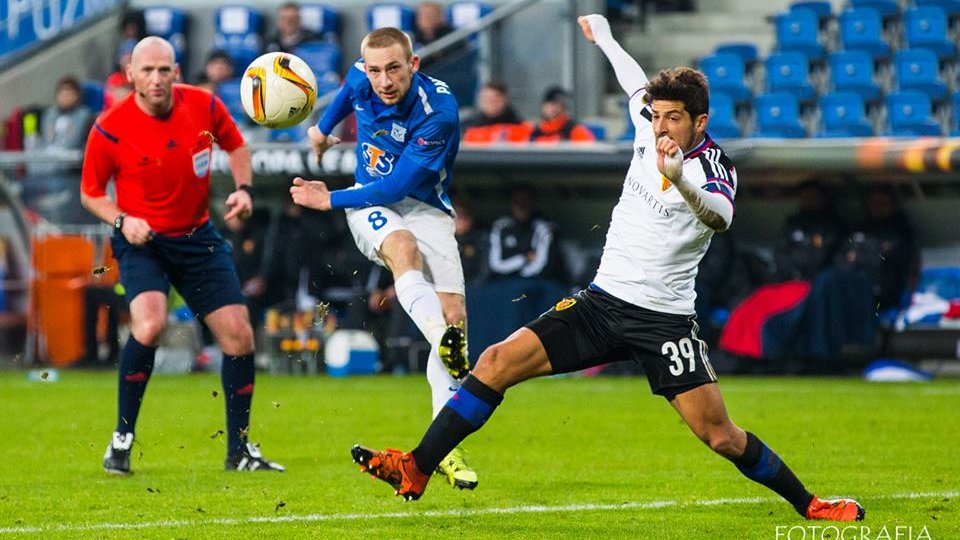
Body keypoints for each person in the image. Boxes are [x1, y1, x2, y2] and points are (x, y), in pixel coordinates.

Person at [348, 14, 865, 523]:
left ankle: (811, 504)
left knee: (720, 436)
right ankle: (415, 467)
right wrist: (606, 38)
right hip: (601, 303)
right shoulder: (649, 121)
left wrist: (679, 178)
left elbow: (721, 216)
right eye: (656, 116)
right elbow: (632, 79)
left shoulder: (712, 167)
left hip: (662, 322)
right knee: (495, 362)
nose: (659, 126)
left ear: (700, 123)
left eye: (673, 119)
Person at [80, 36, 283, 475]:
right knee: (149, 324)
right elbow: (91, 193)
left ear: (177, 72)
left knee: (239, 337)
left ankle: (240, 452)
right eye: (147, 70)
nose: (156, 78)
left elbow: (238, 146)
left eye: (164, 70)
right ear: (129, 73)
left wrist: (244, 190)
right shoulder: (109, 127)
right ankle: (121, 440)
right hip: (142, 241)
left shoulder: (204, 106)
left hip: (197, 238)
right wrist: (122, 221)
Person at [289, 27, 478, 490]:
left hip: (422, 204)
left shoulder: (440, 113)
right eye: (375, 70)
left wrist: (326, 199)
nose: (383, 80)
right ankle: (439, 336)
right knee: (404, 251)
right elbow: (344, 93)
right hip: (367, 202)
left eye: (394, 68)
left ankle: (444, 449)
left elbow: (397, 187)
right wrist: (320, 129)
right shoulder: (361, 75)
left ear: (413, 65)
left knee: (456, 318)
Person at [488, 185, 567, 283]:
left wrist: (520, 274)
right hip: (505, 282)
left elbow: (541, 266)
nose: (521, 206)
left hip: (536, 282)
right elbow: (495, 265)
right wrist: (524, 259)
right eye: (517, 202)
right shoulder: (501, 226)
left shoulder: (544, 227)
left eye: (526, 202)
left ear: (533, 203)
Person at [462, 81, 530, 143]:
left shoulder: (522, 128)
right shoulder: (473, 130)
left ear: (504, 99)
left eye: (494, 99)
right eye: (485, 99)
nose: (490, 104)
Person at [529, 86, 597, 143]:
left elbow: (590, 154)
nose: (552, 108)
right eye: (549, 104)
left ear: (563, 107)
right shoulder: (535, 132)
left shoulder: (575, 130)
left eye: (556, 104)